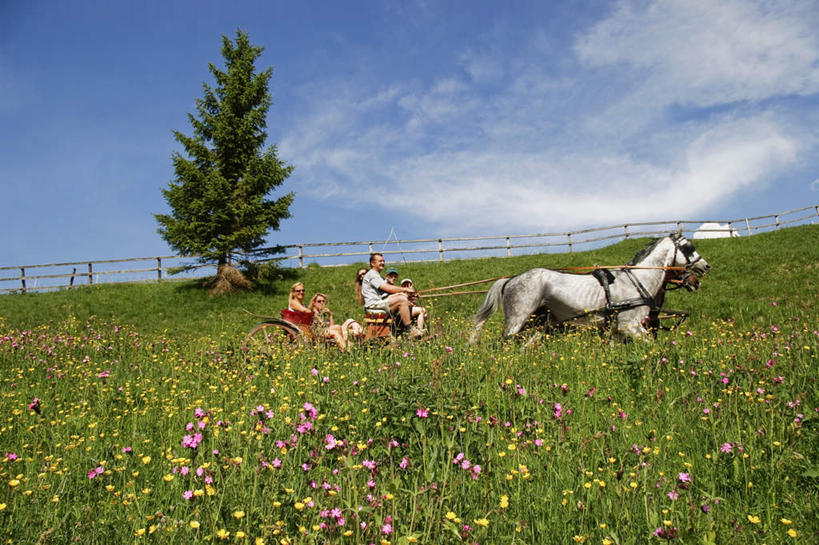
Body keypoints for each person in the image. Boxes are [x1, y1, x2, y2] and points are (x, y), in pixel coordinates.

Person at [361, 253, 424, 338]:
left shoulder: (378, 276)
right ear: (373, 263)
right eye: (380, 261)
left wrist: (409, 296)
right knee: (401, 299)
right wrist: (405, 290)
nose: (383, 263)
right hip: (373, 306)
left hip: (378, 303)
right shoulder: (372, 274)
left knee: (402, 298)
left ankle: (416, 332)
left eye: (383, 261)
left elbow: (389, 294)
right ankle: (410, 331)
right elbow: (387, 288)